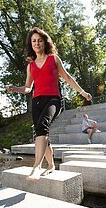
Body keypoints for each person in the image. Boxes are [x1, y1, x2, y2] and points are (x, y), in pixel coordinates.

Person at [7, 27, 92, 180]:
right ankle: (51, 164)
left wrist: (83, 92)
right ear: (31, 44)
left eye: (39, 40)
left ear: (44, 42)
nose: (37, 43)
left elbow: (68, 78)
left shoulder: (54, 58)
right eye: (34, 41)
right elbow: (28, 88)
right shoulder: (30, 65)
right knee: (40, 132)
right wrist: (15, 89)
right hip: (37, 101)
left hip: (53, 99)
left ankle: (37, 166)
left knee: (42, 127)